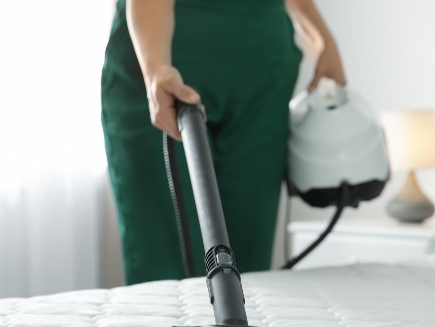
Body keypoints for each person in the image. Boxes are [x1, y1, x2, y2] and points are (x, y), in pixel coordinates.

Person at [101, 0, 346, 284]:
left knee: (250, 269)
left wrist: (320, 37)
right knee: (166, 264)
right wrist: (156, 67)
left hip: (262, 59)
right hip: (167, 41)